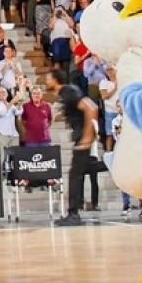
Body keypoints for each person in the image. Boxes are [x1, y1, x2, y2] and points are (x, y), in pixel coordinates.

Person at [54, 72, 99, 226]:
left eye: (48, 78)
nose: (46, 80)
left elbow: (91, 107)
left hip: (82, 139)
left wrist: (87, 136)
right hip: (80, 137)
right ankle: (74, 211)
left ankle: (73, 213)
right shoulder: (65, 94)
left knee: (75, 176)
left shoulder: (68, 91)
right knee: (82, 172)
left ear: (55, 79)